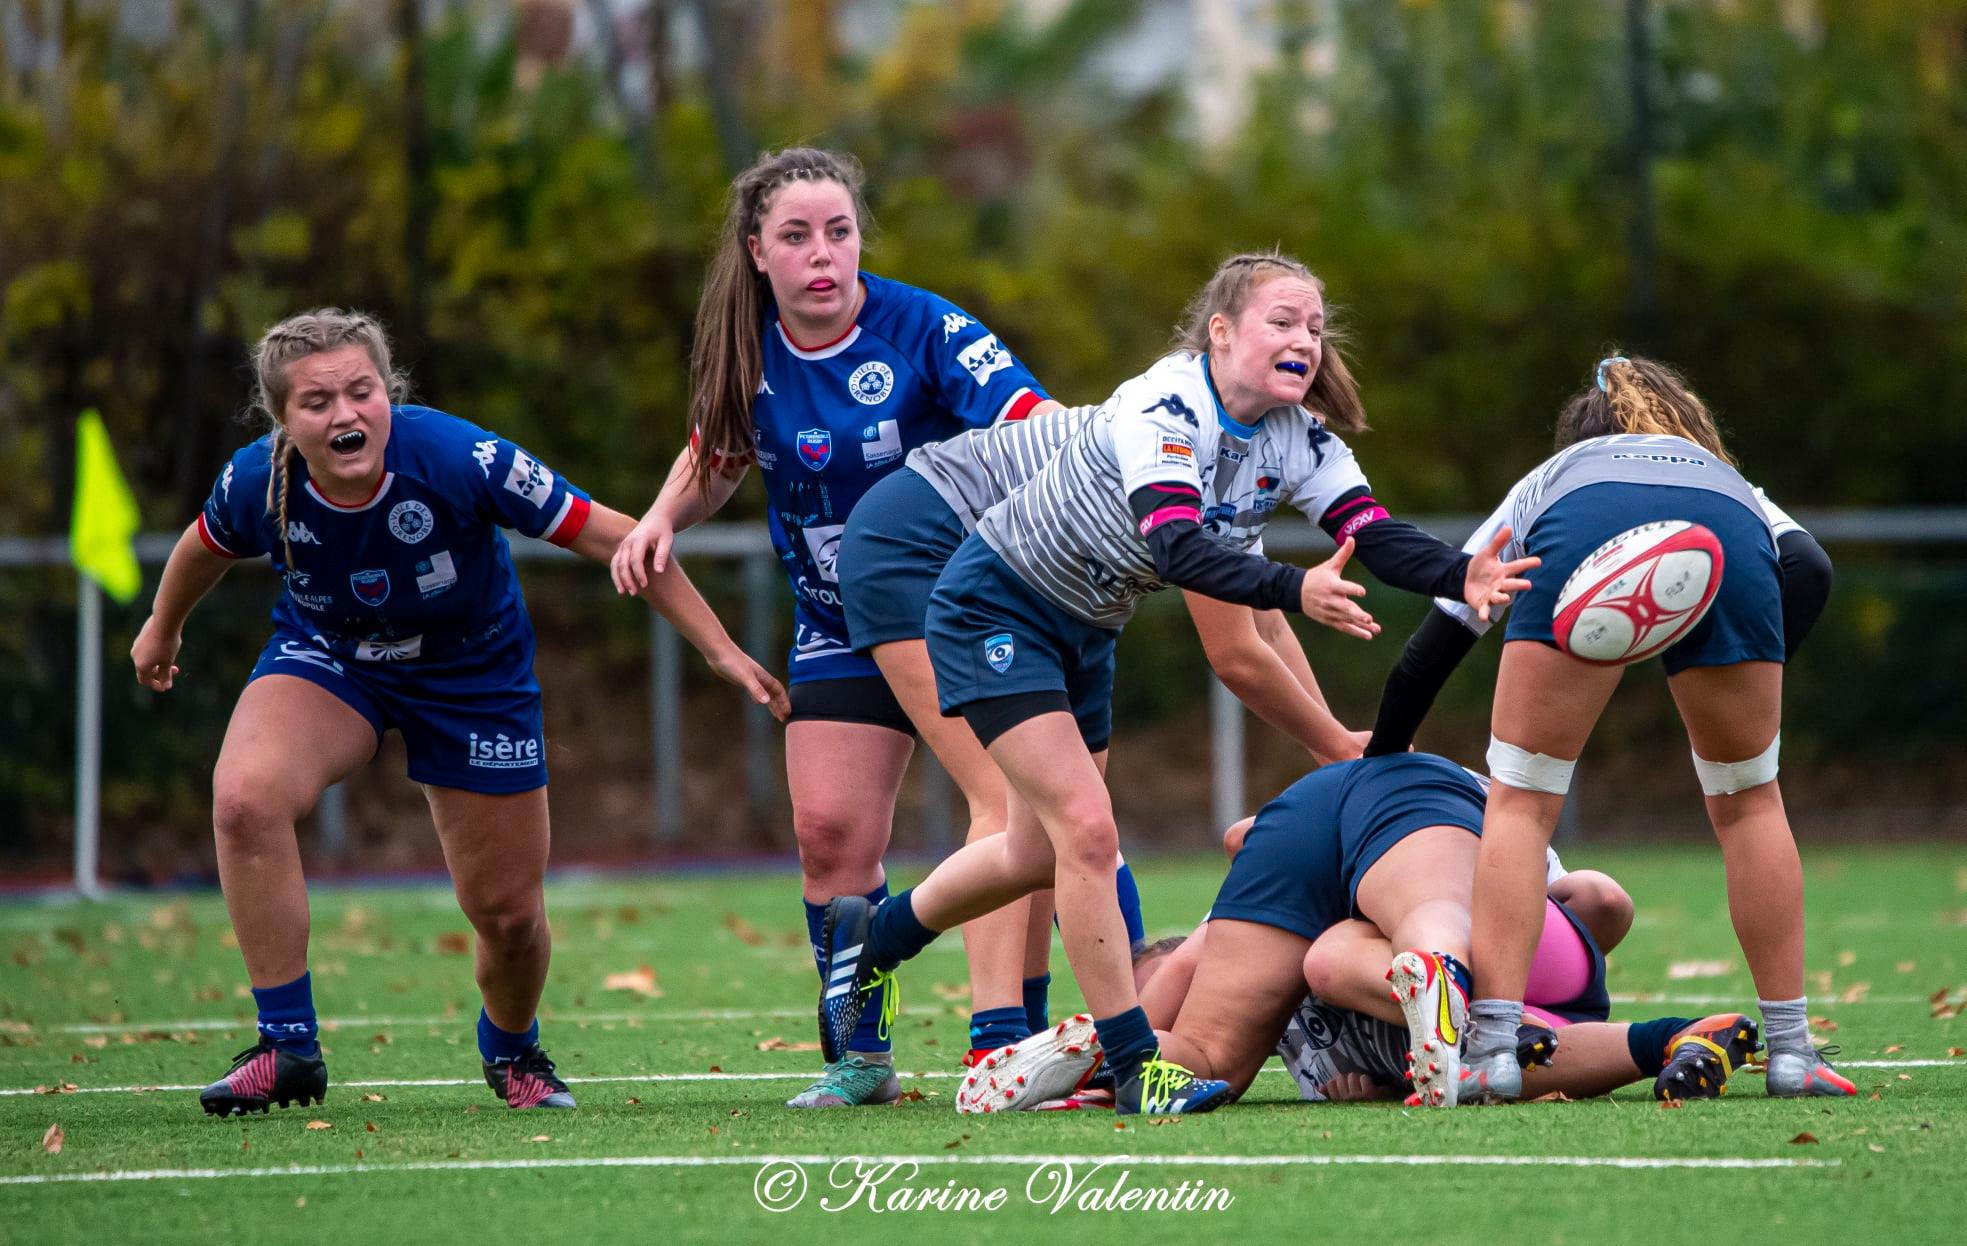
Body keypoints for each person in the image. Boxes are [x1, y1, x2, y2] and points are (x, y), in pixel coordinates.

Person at [817, 250, 1538, 1116]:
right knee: (1087, 834)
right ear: (1220, 332)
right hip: (995, 606)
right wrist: (1294, 589)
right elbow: (1177, 546)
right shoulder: (1165, 403)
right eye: (1282, 321)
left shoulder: (1298, 438)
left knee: (1033, 852)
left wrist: (1460, 573)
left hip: (1086, 628)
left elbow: (1371, 532)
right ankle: (1135, 1067)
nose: (1305, 339)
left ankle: (874, 939)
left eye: (1314, 327)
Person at [132, 310, 786, 1117]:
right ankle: (287, 1045)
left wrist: (719, 649)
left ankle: (511, 1048)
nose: (344, 414)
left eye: (361, 392)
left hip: (471, 675)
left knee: (507, 917)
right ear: (282, 419)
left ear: (389, 392)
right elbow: (203, 546)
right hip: (331, 657)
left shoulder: (457, 457)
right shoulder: (257, 482)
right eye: (317, 402)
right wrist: (162, 626)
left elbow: (612, 537)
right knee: (243, 798)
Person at [607, 147, 1061, 1109]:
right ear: (756, 250)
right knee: (827, 834)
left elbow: (1036, 423)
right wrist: (658, 518)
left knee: (1010, 808)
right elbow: (718, 456)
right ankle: (862, 1057)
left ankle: (1009, 1037)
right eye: (796, 235)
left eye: (839, 231)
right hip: (836, 619)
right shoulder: (747, 347)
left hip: (956, 610)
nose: (822, 254)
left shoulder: (924, 326)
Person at [1363, 353, 1853, 1103]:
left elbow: (1444, 631)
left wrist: (1382, 753)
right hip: (1728, 542)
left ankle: (1492, 1050)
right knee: (1750, 801)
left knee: (1522, 803)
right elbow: (1810, 567)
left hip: (1580, 529)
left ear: (1579, 435)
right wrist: (1726, 661)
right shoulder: (1727, 478)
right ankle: (1792, 1052)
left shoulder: (1554, 476)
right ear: (1683, 421)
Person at [840, 401, 1368, 1079]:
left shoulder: (1237, 475)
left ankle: (876, 936)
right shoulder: (1191, 456)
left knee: (1040, 847)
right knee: (1028, 806)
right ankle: (1001, 1044)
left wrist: (1333, 748)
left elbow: (1263, 624)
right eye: (1299, 434)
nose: (1304, 457)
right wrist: (1337, 750)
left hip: (1058, 601)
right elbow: (1236, 654)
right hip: (926, 538)